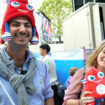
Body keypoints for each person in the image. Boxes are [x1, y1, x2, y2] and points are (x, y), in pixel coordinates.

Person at [0, 0, 54, 105]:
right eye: (16, 24)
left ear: (32, 31)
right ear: (6, 29)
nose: (22, 30)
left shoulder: (41, 67)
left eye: (27, 25)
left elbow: (48, 97)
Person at [63, 40, 105, 105]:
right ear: (97, 53)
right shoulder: (83, 74)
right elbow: (67, 100)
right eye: (104, 52)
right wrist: (80, 102)